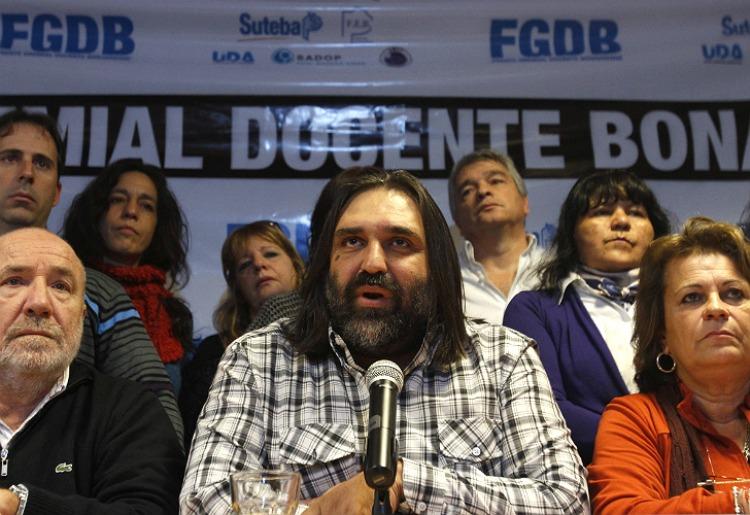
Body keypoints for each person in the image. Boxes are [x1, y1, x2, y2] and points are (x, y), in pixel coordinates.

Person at [180, 167, 588, 514]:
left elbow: (565, 500)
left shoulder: (504, 357)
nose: (373, 262)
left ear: (437, 265)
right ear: (326, 262)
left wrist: (408, 484)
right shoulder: (259, 359)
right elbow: (203, 500)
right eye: (352, 242)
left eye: (399, 243)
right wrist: (318, 512)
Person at [0, 109, 183, 441]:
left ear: (57, 191)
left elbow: (156, 411)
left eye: (41, 163)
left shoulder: (98, 293)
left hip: (63, 470)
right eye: (10, 158)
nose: (26, 173)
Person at [0, 228, 183, 514]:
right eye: (14, 281)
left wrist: (20, 506)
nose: (39, 303)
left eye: (61, 286)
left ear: (82, 316)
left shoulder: (128, 411)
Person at [503, 170, 671, 464]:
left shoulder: (689, 303)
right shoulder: (533, 310)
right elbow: (542, 409)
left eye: (636, 212)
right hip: (588, 478)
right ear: (573, 231)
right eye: (602, 212)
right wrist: (643, 443)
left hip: (695, 473)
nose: (621, 221)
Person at [589, 217, 750, 513]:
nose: (716, 308)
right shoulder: (635, 419)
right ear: (663, 335)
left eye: (734, 293)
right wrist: (738, 504)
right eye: (692, 297)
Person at [63, 158, 193, 392]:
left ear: (158, 224)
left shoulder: (175, 315)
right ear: (96, 212)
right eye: (118, 199)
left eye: (146, 206)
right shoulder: (61, 291)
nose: (131, 211)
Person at [180, 221, 304, 447]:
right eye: (245, 264)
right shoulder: (214, 351)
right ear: (237, 285)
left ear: (295, 266)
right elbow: (197, 434)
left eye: (271, 254)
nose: (259, 264)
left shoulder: (330, 333)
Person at [448, 149, 545, 323]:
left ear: (525, 202)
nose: (483, 191)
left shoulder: (562, 273)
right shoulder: (443, 287)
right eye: (467, 190)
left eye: (495, 181)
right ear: (457, 221)